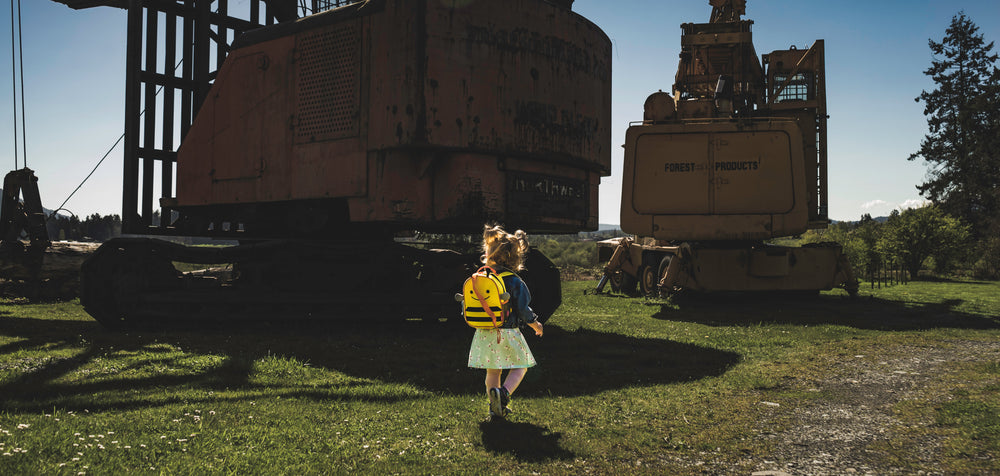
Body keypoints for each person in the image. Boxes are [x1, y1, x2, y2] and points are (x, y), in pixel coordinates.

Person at [467, 224, 544, 420]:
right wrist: (535, 324)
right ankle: (504, 394)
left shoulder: (482, 278)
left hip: (485, 332)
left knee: (493, 372)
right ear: (515, 258)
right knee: (521, 366)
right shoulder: (515, 281)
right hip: (508, 332)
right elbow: (523, 309)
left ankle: (494, 408)